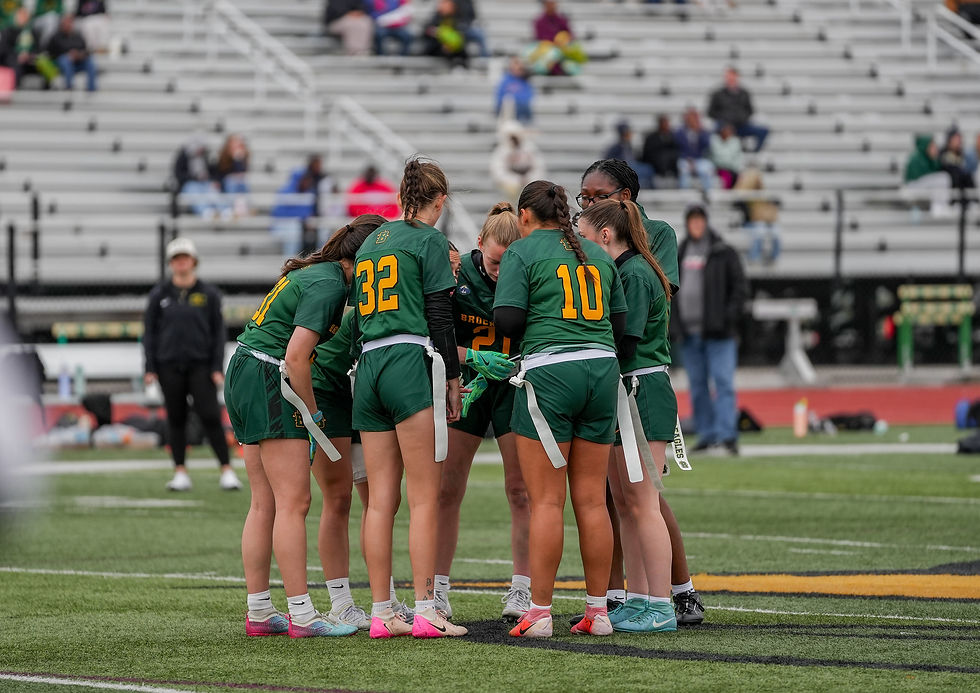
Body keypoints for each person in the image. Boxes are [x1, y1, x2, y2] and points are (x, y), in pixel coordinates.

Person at [226, 218, 384, 638]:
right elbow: (297, 357)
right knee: (294, 502)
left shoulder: (318, 273)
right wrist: (313, 417)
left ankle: (260, 611)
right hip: (269, 374)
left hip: (245, 366)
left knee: (265, 502)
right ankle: (302, 614)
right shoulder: (330, 282)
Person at [494, 180, 627, 638]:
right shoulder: (598, 254)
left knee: (546, 500)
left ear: (525, 216)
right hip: (601, 368)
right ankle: (599, 611)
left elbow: (508, 320)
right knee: (591, 499)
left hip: (551, 371)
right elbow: (623, 325)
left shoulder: (523, 251)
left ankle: (540, 612)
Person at [577, 160, 704, 626]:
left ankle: (658, 604)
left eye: (589, 232)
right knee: (627, 504)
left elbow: (624, 339)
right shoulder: (630, 266)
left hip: (640, 386)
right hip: (629, 388)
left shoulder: (631, 272)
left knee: (643, 502)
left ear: (608, 234)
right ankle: (640, 597)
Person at [351, 158, 467, 639]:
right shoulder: (430, 240)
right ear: (439, 200)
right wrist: (454, 377)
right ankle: (425, 610)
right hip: (407, 360)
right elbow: (440, 316)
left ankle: (382, 612)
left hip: (369, 365)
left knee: (380, 502)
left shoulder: (370, 243)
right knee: (424, 498)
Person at [434, 202, 531, 623]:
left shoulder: (528, 271)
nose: (499, 271)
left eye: (507, 263)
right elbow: (435, 335)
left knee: (521, 490)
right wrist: (469, 359)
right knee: (446, 489)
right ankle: (436, 589)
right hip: (468, 384)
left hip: (512, 385)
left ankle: (523, 588)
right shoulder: (460, 274)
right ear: (480, 246)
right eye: (494, 261)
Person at [143, 237, 240, 493]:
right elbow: (149, 333)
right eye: (176, 258)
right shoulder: (159, 295)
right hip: (168, 366)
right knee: (176, 418)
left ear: (194, 261)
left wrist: (217, 366)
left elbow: (218, 334)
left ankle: (226, 470)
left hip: (201, 365)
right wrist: (149, 367)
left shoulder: (209, 294)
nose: (181, 263)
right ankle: (180, 471)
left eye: (185, 257)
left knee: (210, 416)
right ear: (170, 263)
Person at [674, 203, 747, 456]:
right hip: (690, 333)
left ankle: (728, 436)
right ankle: (706, 434)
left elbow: (739, 289)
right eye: (691, 220)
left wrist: (726, 319)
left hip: (719, 333)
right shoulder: (681, 250)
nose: (696, 225)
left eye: (699, 220)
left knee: (723, 382)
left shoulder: (722, 251)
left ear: (705, 222)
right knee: (697, 385)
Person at [707, 66, 769, 152]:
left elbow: (750, 110)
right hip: (724, 127)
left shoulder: (744, 93)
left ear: (737, 77)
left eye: (733, 76)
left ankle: (753, 152)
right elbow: (710, 112)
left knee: (763, 131)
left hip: (741, 126)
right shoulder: (718, 94)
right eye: (728, 76)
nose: (730, 79)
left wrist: (742, 118)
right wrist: (725, 119)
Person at [733, 167, 780, 264]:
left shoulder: (763, 194)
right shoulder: (745, 190)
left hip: (764, 222)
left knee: (776, 232)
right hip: (749, 222)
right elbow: (738, 194)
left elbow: (770, 214)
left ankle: (773, 259)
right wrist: (750, 179)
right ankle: (753, 259)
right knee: (759, 231)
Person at [490, 120, 546, 202]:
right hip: (510, 189)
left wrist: (529, 179)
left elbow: (539, 167)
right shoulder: (502, 151)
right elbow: (498, 172)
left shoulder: (529, 148)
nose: (514, 139)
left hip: (530, 186)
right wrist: (516, 180)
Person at [173, 138, 228, 220]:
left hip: (206, 183)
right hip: (189, 183)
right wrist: (195, 177)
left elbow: (215, 172)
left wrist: (212, 180)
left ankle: (224, 210)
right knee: (194, 190)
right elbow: (179, 174)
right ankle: (206, 211)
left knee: (213, 189)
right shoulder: (183, 157)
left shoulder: (207, 156)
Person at [528, 0, 587, 76]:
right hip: (547, 52)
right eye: (550, 3)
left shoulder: (562, 20)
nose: (553, 5)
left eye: (554, 3)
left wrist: (563, 41)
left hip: (562, 50)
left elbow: (569, 35)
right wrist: (555, 43)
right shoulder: (539, 21)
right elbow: (540, 38)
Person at [904, 134, 954, 218]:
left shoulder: (930, 158)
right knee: (943, 178)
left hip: (923, 186)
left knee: (942, 178)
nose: (935, 149)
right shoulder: (916, 158)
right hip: (912, 188)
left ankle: (940, 206)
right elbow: (918, 177)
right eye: (932, 146)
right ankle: (939, 207)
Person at [47, 14, 97, 92]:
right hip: (61, 63)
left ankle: (91, 88)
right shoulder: (56, 36)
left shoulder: (78, 36)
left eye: (69, 23)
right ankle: (69, 86)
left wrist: (79, 54)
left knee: (90, 62)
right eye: (65, 23)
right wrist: (68, 55)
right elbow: (51, 52)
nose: (68, 25)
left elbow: (86, 50)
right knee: (65, 59)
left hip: (78, 62)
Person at [605, 121, 654, 190]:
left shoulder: (628, 145)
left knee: (648, 169)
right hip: (625, 167)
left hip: (632, 166)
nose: (630, 134)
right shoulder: (616, 147)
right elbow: (609, 161)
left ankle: (648, 188)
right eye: (627, 133)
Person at [676, 107, 716, 191]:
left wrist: (699, 131)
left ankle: (707, 192)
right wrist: (688, 159)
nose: (692, 120)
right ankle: (684, 192)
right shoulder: (680, 132)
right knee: (684, 170)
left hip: (699, 159)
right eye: (690, 117)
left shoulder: (702, 132)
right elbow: (678, 147)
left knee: (707, 168)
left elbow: (707, 145)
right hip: (685, 159)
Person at [423, 0, 468, 68]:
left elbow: (460, 31)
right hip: (437, 45)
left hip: (453, 45)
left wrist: (451, 44)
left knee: (461, 50)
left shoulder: (456, 17)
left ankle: (462, 66)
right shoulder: (436, 17)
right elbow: (427, 30)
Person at [216, 134, 250, 217]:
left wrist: (238, 159)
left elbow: (242, 171)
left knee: (242, 182)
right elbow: (221, 172)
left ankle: (243, 207)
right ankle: (230, 208)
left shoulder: (242, 156)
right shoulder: (223, 156)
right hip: (225, 183)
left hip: (238, 183)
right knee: (232, 181)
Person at [641, 115, 680, 184]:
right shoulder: (651, 138)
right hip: (655, 167)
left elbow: (677, 151)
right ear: (660, 124)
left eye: (667, 123)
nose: (666, 126)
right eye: (664, 123)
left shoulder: (673, 137)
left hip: (671, 167)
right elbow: (647, 154)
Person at [495, 56, 534, 124]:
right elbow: (499, 97)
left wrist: (515, 100)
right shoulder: (505, 80)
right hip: (507, 110)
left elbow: (528, 97)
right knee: (508, 101)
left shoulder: (524, 81)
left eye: (519, 68)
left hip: (521, 110)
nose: (517, 70)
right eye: (515, 67)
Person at [710, 122, 743, 189]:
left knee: (740, 177)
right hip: (719, 168)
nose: (727, 132)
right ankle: (725, 195)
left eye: (729, 130)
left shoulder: (735, 141)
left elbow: (737, 158)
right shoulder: (714, 140)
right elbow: (718, 157)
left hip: (732, 169)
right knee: (726, 176)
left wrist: (733, 167)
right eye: (726, 130)